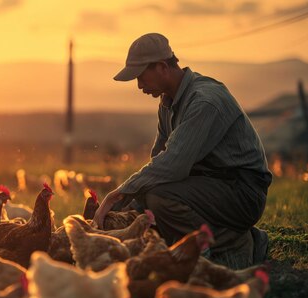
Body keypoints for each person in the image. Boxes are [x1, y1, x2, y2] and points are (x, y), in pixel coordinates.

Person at [92, 33, 272, 269]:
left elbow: (173, 165)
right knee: (148, 196)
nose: (139, 85)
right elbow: (158, 160)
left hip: (241, 192)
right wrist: (132, 203)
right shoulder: (168, 103)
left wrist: (118, 194)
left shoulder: (204, 102)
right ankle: (204, 240)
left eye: (140, 76)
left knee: (160, 197)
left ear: (162, 67)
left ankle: (233, 242)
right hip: (211, 185)